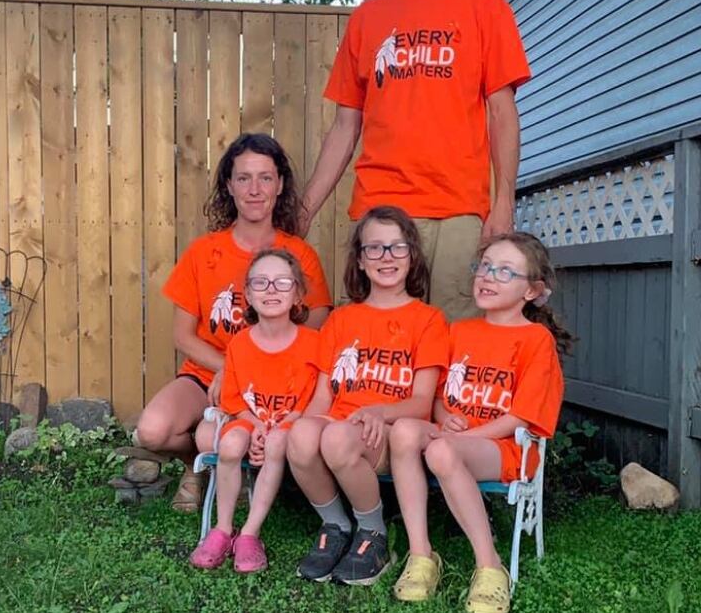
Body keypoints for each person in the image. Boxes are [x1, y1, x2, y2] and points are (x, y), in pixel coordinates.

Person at [300, 0, 531, 321]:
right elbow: (345, 128)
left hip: (459, 214)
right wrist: (301, 213)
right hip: (382, 209)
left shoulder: (483, 3)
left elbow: (503, 113)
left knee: (455, 347)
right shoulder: (368, 17)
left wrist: (503, 205)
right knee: (380, 348)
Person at [134, 134, 331, 513]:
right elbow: (182, 335)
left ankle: (245, 467)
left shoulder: (300, 254)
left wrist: (257, 368)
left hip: (277, 381)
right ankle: (198, 464)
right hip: (210, 372)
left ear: (280, 184)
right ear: (228, 185)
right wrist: (231, 368)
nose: (254, 190)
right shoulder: (204, 252)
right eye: (243, 178)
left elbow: (318, 324)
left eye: (265, 178)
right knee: (153, 430)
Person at [388, 232, 574, 613]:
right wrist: (446, 417)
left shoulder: (535, 340)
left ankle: (490, 567)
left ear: (531, 290)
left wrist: (462, 436)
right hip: (454, 438)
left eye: (505, 272)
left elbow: (521, 417)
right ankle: (422, 556)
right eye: (485, 267)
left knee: (439, 450)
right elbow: (438, 396)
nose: (488, 277)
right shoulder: (459, 332)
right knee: (405, 430)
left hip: (505, 448)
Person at [286, 205, 449, 586]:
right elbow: (324, 397)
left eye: (397, 247)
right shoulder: (341, 320)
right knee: (301, 435)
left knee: (336, 436)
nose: (386, 257)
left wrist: (378, 411)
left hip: (388, 434)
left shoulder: (428, 320)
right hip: (341, 426)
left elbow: (422, 402)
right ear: (360, 260)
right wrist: (290, 425)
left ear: (412, 255)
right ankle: (336, 526)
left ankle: (374, 534)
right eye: (374, 248)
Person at [189, 249, 319, 573]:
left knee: (276, 444)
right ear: (247, 294)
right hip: (249, 420)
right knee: (231, 445)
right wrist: (256, 425)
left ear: (299, 293)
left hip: (290, 424)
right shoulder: (240, 344)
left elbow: (309, 401)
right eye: (261, 282)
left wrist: (274, 429)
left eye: (282, 282)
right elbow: (233, 401)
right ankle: (222, 528)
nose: (271, 290)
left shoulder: (313, 343)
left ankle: (250, 533)